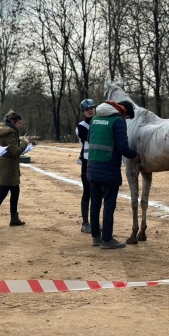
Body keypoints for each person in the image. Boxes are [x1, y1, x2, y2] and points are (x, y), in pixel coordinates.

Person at [87, 100, 139, 249]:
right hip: (109, 168)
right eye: (127, 117)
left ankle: (96, 237)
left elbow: (90, 139)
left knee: (95, 204)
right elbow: (123, 147)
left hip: (92, 166)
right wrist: (134, 155)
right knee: (109, 205)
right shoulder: (117, 121)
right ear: (124, 112)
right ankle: (107, 239)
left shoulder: (95, 119)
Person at [0, 110, 29, 230]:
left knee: (15, 191)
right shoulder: (10, 133)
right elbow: (16, 151)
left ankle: (14, 218)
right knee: (2, 192)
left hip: (9, 166)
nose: (21, 125)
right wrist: (25, 143)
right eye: (19, 123)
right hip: (8, 167)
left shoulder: (8, 132)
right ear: (14, 122)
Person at [76, 99, 95, 234]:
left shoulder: (99, 122)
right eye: (87, 109)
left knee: (97, 194)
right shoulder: (81, 126)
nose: (90, 110)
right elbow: (92, 137)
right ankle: (85, 223)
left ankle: (94, 222)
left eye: (92, 108)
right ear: (83, 112)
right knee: (87, 193)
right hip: (87, 162)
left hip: (98, 162)